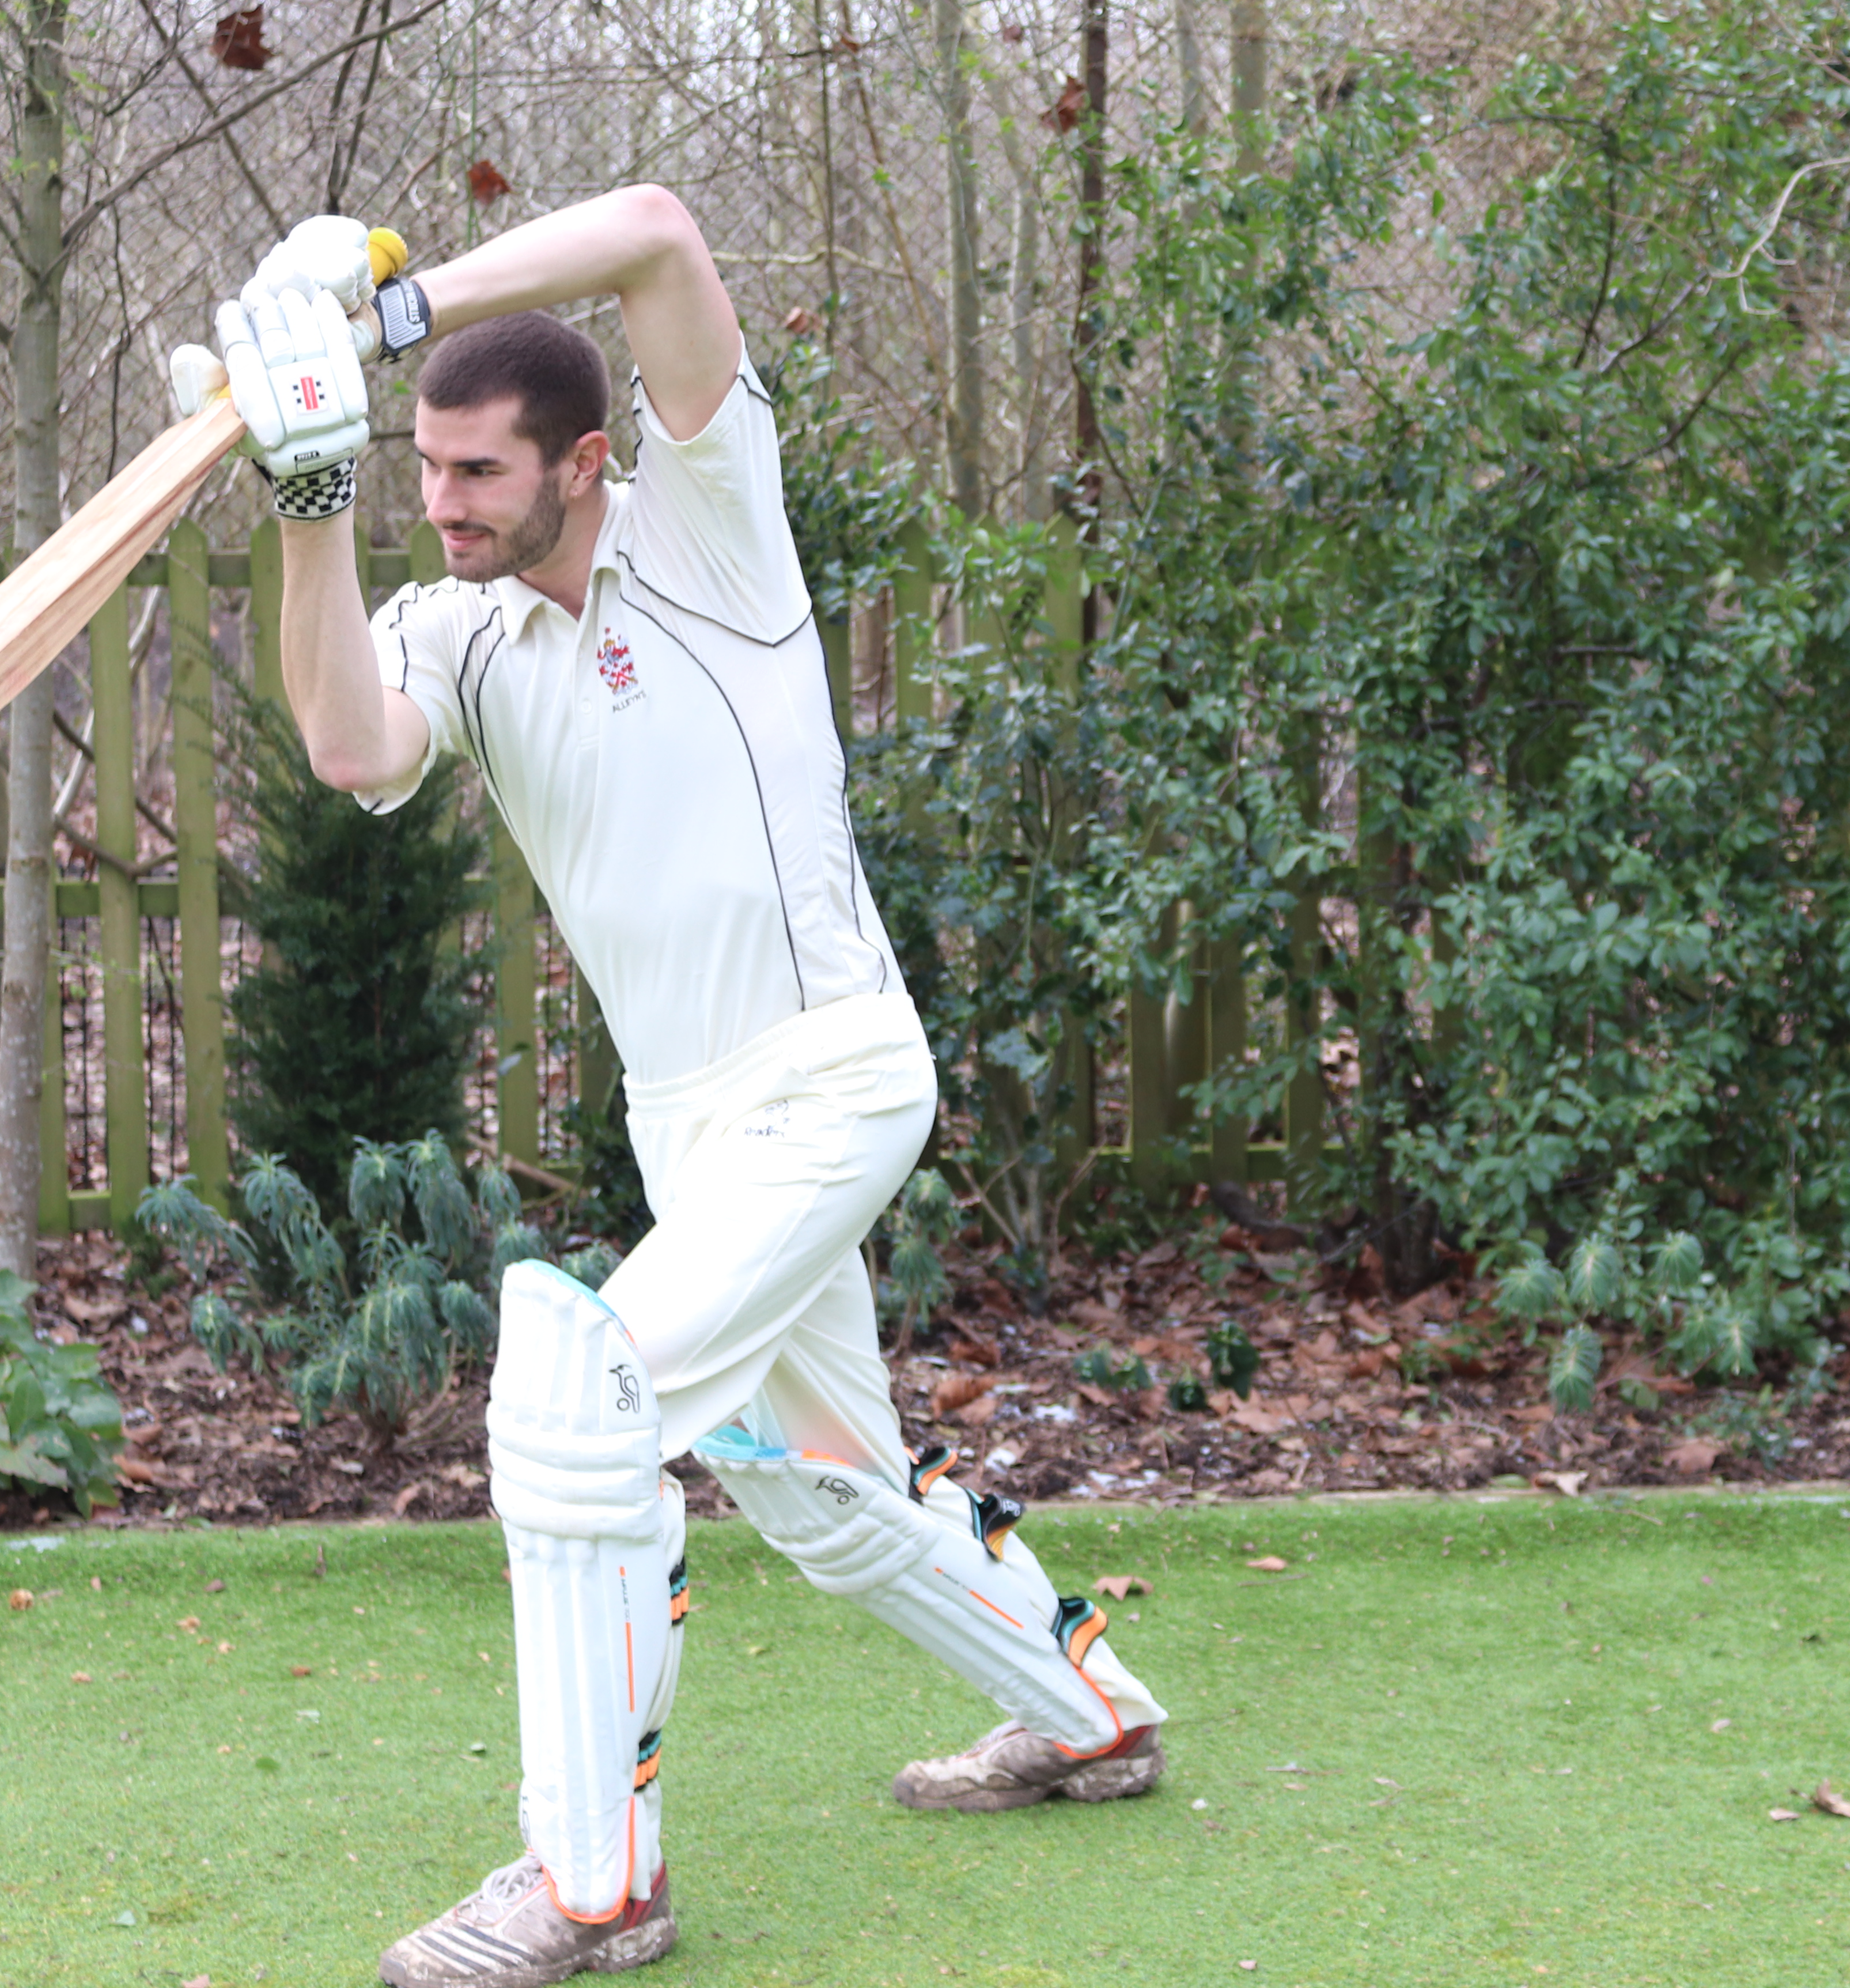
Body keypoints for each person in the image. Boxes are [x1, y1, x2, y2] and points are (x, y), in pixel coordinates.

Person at [169, 191, 1167, 1988]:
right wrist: (306, 504)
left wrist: (392, 308)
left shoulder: (714, 528)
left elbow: (651, 235)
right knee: (816, 1481)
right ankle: (1090, 1714)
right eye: (418, 472)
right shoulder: (460, 634)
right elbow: (346, 747)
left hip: (838, 1074)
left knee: (575, 1393)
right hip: (692, 1123)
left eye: (477, 474)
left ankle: (591, 1892)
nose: (446, 505)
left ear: (586, 461)